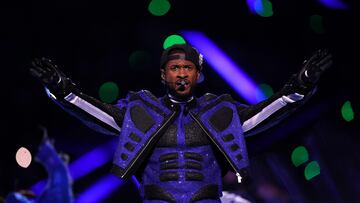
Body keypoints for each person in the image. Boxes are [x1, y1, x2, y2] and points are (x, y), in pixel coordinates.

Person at [29, 43, 332, 203]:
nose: (182, 74)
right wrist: (62, 88)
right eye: (175, 68)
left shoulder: (219, 113)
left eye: (188, 68)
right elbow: (96, 112)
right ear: (164, 75)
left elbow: (265, 113)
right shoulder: (141, 112)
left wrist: (298, 88)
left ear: (198, 75)